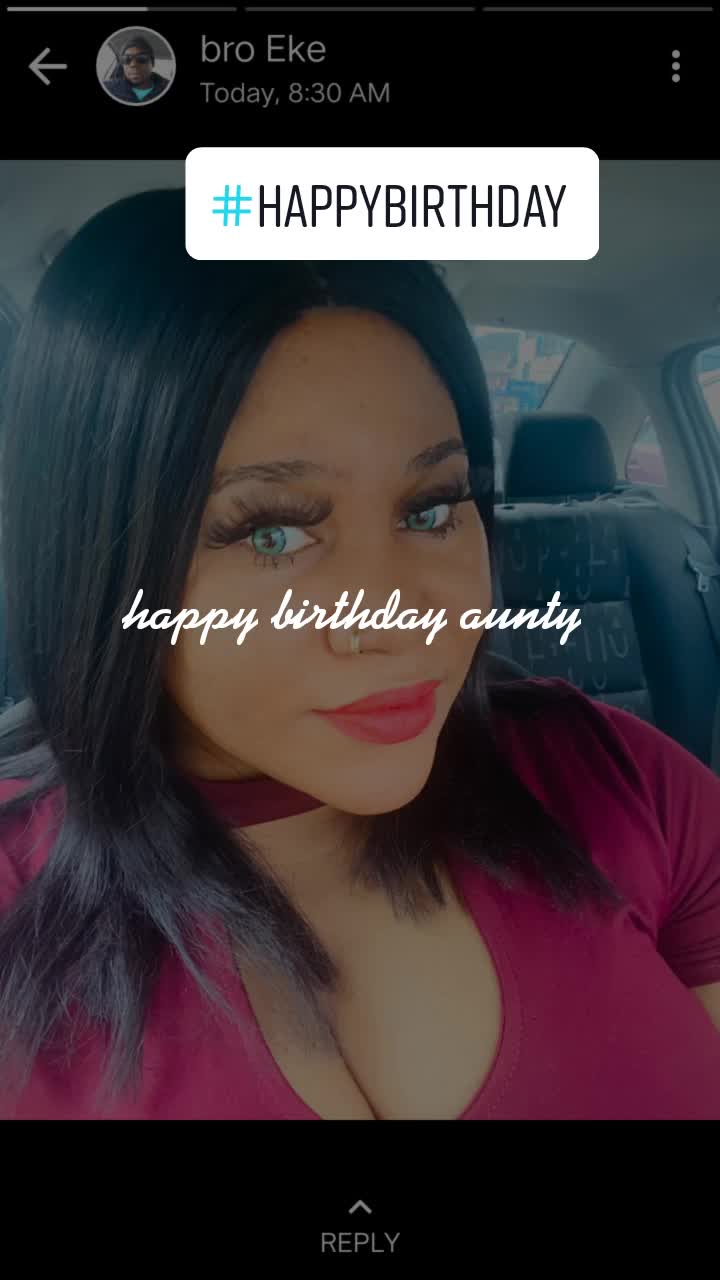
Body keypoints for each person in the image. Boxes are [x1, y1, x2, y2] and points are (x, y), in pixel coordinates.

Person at [0, 189, 718, 1120]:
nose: (399, 619)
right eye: (270, 533)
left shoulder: (628, 784)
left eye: (432, 508)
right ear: (98, 557)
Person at [102, 34, 171, 104]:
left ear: (152, 63)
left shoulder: (166, 87)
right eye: (127, 59)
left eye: (141, 58)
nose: (133, 64)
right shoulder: (108, 88)